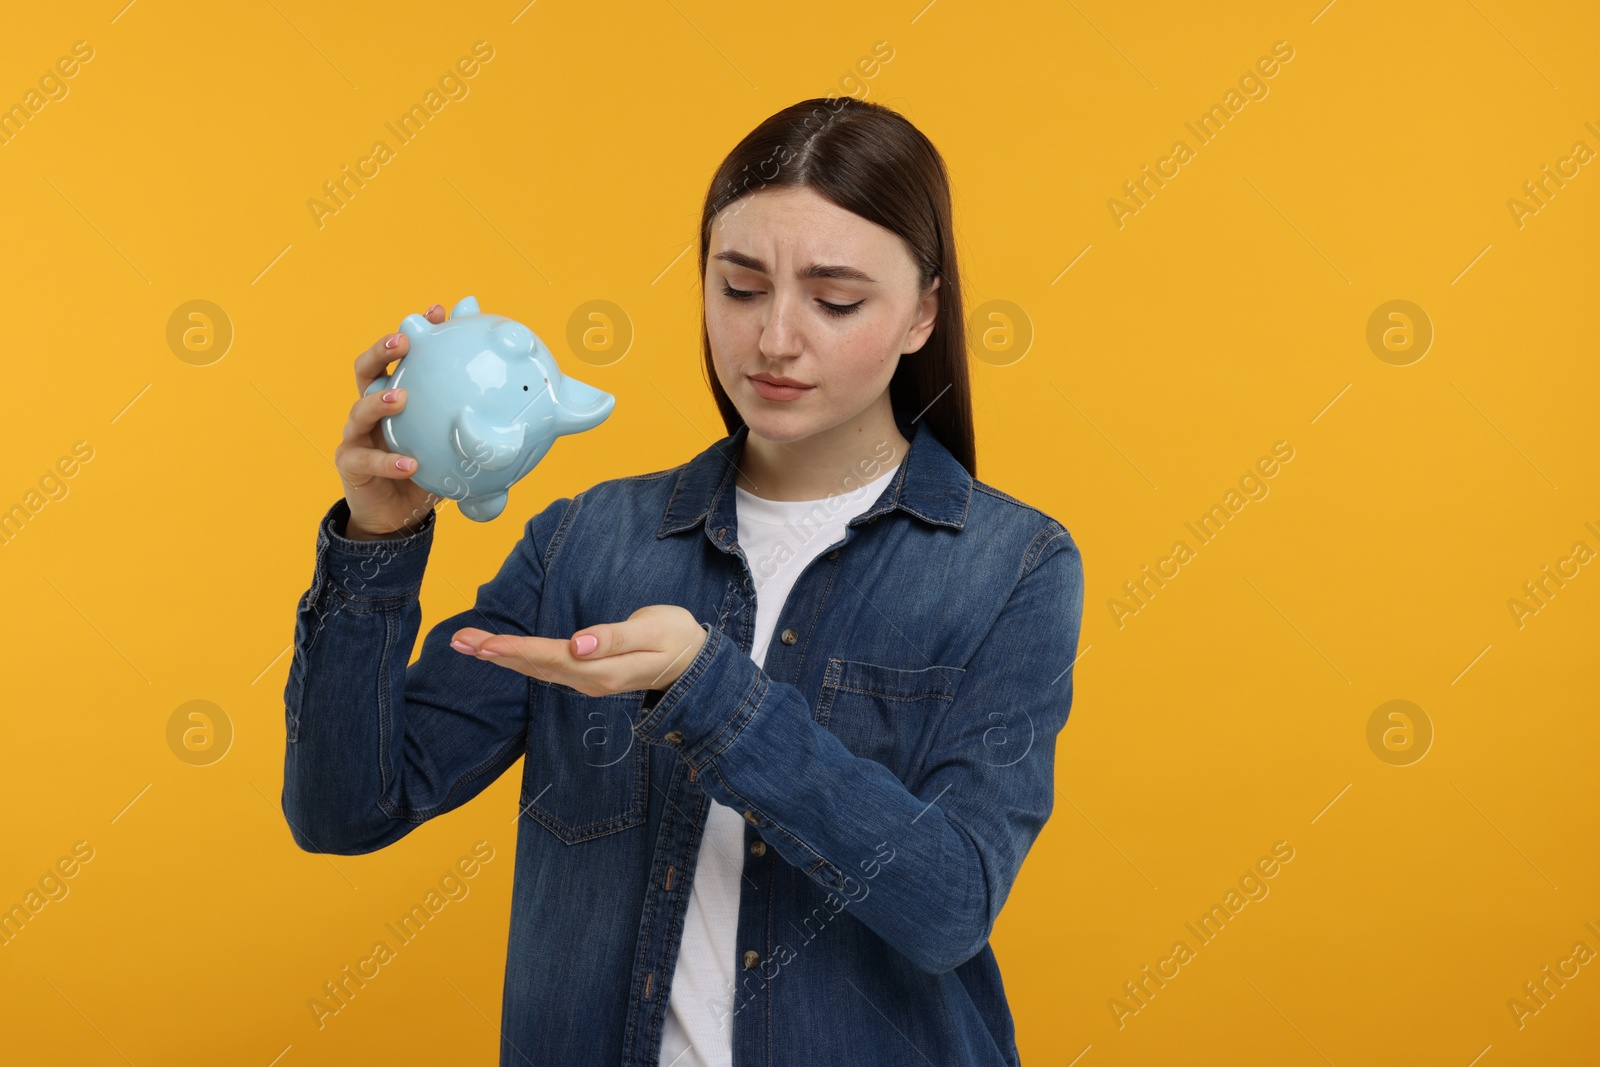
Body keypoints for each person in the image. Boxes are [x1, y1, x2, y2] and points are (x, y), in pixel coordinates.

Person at [282, 95, 1085, 1067]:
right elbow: (342, 809)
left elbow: (950, 901)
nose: (774, 339)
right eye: (739, 286)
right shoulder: (586, 542)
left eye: (835, 300)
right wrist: (380, 533)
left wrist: (708, 690)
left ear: (922, 312)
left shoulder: (1013, 565)